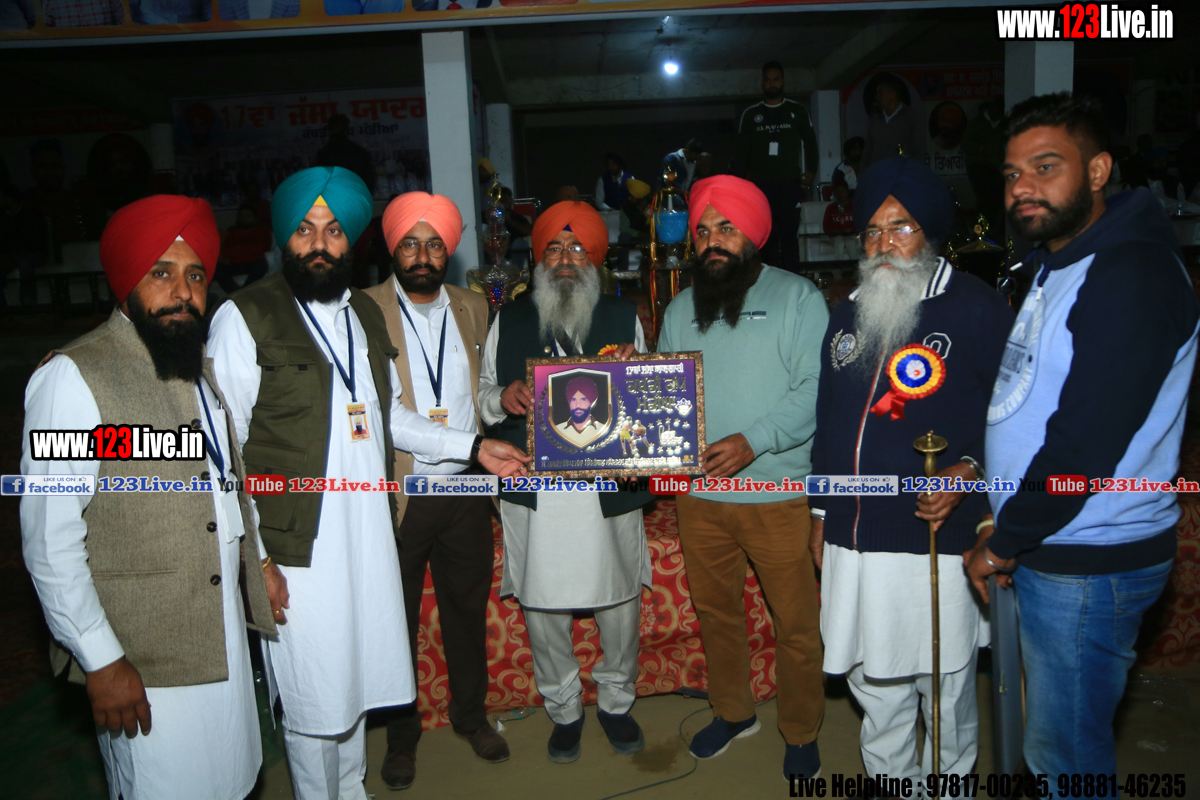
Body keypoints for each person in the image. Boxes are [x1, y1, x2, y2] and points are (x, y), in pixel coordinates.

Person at [206, 166, 529, 800]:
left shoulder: (358, 313)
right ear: (283, 237)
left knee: (353, 684)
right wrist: (256, 558)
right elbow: (223, 449)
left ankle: (351, 788)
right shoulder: (245, 317)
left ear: (351, 240)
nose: (320, 244)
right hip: (298, 546)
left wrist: (474, 447)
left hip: (370, 531)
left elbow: (387, 414)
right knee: (313, 694)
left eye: (333, 231)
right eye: (305, 230)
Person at [968, 93, 1200, 790]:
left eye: (1046, 167)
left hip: (1088, 560)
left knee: (1064, 757)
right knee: (1055, 741)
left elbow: (1085, 443)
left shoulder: (1130, 273)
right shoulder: (1060, 259)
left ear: (1097, 171)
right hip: (1055, 540)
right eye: (1012, 174)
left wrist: (1008, 538)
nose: (1023, 188)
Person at [20, 195, 280, 799]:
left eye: (196, 276)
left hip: (218, 637)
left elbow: (223, 485)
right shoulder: (73, 378)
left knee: (232, 780)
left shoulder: (196, 368)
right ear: (127, 279)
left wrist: (258, 561)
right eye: (161, 273)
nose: (182, 292)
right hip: (142, 659)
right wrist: (101, 660)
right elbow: (50, 542)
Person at [809, 157, 1013, 784]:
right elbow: (828, 421)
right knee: (873, 682)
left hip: (938, 536)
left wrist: (970, 470)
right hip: (853, 535)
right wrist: (820, 513)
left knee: (942, 685)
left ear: (930, 231)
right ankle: (891, 783)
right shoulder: (847, 313)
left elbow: (1017, 418)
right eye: (872, 231)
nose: (883, 244)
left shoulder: (978, 308)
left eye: (900, 227)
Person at [656, 175, 828, 785]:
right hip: (700, 498)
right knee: (717, 613)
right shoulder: (681, 308)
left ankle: (801, 729)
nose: (712, 240)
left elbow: (817, 389)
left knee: (796, 626)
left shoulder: (799, 297)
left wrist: (755, 440)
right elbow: (664, 396)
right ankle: (733, 713)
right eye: (703, 230)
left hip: (777, 495)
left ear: (752, 234)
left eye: (726, 227)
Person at [478, 200, 655, 763]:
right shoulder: (509, 319)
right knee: (543, 603)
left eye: (577, 248)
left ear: (595, 259)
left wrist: (636, 368)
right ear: (538, 259)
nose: (565, 258)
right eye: (554, 247)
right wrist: (503, 396)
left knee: (618, 600)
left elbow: (653, 402)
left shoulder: (623, 316)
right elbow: (481, 396)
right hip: (536, 488)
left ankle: (617, 702)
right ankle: (563, 708)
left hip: (607, 486)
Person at [362, 192, 509, 790]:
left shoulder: (473, 306)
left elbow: (481, 391)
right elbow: (383, 411)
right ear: (392, 249)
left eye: (433, 245)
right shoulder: (364, 310)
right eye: (410, 244)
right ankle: (402, 738)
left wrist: (502, 406)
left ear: (448, 251)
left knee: (466, 611)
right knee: (395, 617)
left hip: (467, 493)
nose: (422, 256)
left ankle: (471, 717)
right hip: (403, 494)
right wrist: (472, 446)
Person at [737, 62, 819, 274]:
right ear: (762, 83)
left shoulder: (797, 110)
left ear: (783, 81)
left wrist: (812, 170)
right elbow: (742, 151)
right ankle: (767, 283)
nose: (771, 84)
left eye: (775, 79)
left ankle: (793, 282)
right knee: (764, 239)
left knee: (790, 237)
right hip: (760, 189)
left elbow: (810, 143)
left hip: (789, 185)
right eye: (767, 80)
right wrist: (740, 183)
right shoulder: (751, 114)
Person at [860, 76, 926, 173]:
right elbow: (867, 151)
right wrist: (863, 175)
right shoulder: (875, 120)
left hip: (902, 174)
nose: (877, 97)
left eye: (880, 93)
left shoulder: (912, 117)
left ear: (893, 94)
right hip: (878, 174)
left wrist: (917, 173)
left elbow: (919, 149)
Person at [962, 98, 1006, 230]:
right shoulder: (976, 123)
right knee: (984, 198)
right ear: (990, 110)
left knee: (997, 199)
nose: (996, 115)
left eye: (999, 113)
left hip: (997, 167)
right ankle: (981, 228)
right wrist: (981, 149)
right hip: (978, 166)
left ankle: (993, 229)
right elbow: (965, 145)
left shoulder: (1004, 124)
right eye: (994, 112)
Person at [215, 204, 272, 293]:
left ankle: (243, 292)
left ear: (254, 219)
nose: (244, 218)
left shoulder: (261, 232)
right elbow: (226, 251)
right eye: (242, 216)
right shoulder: (232, 234)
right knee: (217, 269)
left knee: (262, 265)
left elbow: (262, 248)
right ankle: (237, 293)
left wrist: (238, 249)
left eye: (248, 216)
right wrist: (249, 249)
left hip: (254, 263)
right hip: (235, 265)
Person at [316, 114, 377, 196]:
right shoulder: (360, 152)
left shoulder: (323, 154)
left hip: (333, 198)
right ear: (346, 129)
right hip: (355, 196)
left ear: (329, 130)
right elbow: (369, 179)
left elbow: (319, 181)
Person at [554, 376, 604, 446]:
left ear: (592, 402)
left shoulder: (604, 431)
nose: (578, 405)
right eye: (573, 400)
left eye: (583, 400)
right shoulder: (556, 431)